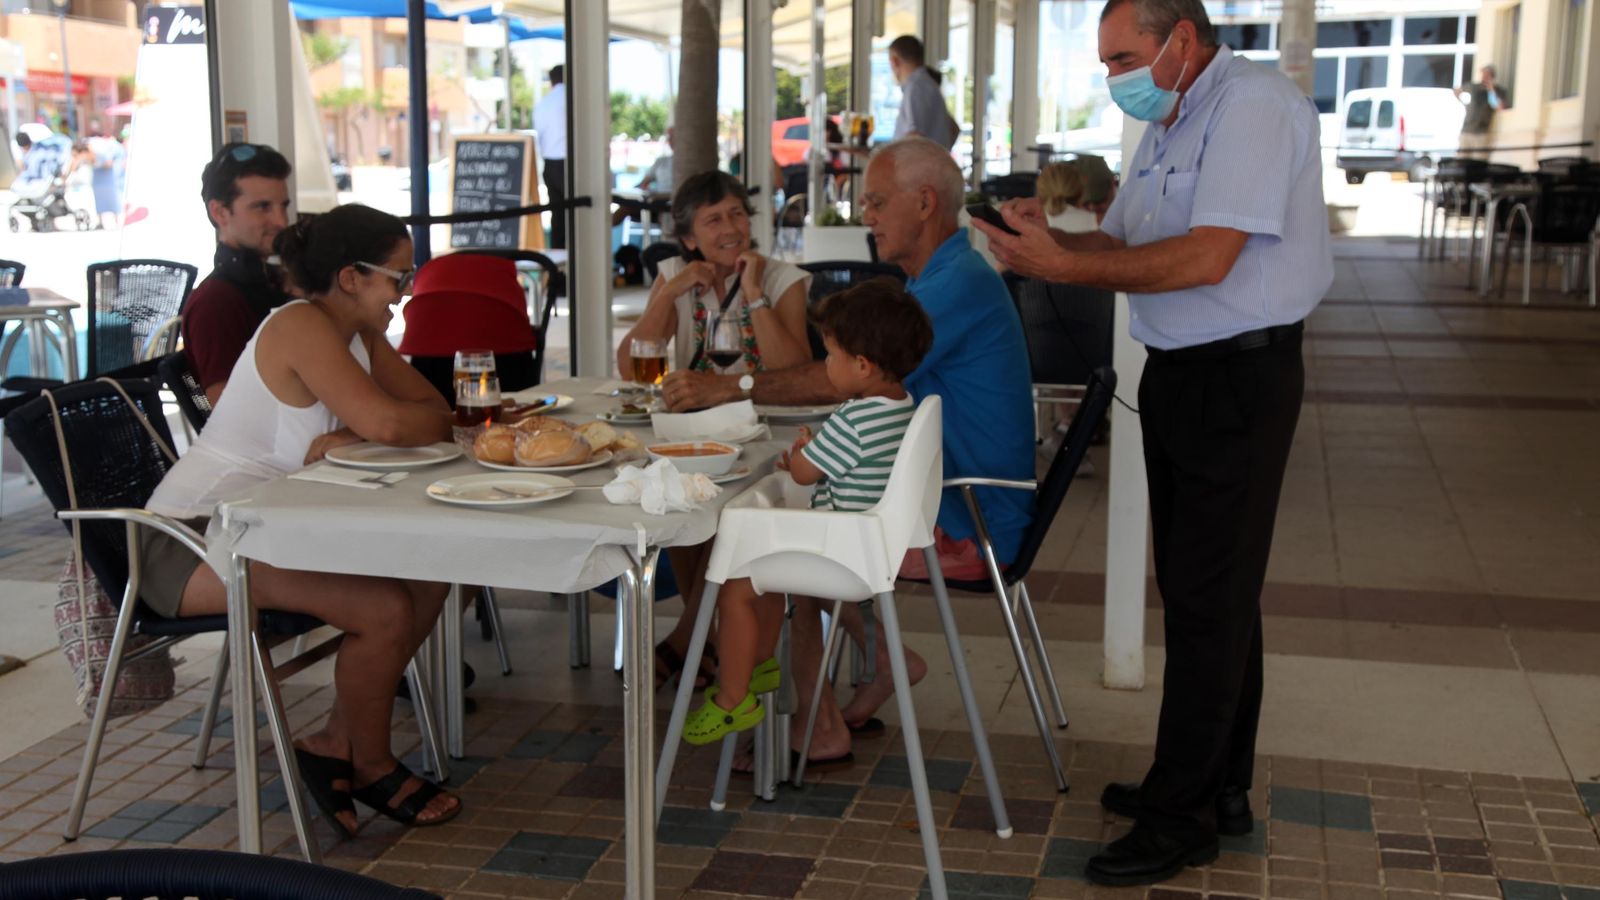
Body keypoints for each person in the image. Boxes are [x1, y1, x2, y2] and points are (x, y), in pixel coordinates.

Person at [972, 0, 1332, 886]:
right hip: (1182, 373)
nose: (1113, 79)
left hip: (1238, 377)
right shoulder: (1171, 119)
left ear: (1183, 39)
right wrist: (1046, 242)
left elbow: (1209, 257)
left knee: (1209, 599)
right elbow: (1126, 238)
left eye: (1123, 59)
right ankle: (1216, 786)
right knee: (1210, 592)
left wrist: (1068, 267)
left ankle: (1183, 818)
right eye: (1105, 63)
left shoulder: (1252, 107)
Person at [660, 137, 1035, 768]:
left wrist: (729, 387)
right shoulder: (945, 276)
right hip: (952, 498)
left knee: (790, 548)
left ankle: (818, 723)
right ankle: (880, 661)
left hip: (969, 517)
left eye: (877, 202)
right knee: (809, 522)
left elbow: (826, 380)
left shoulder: (955, 284)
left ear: (924, 203)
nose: (866, 215)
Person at [141, 203, 460, 837]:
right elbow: (396, 421)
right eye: (399, 276)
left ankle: (336, 742)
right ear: (351, 277)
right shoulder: (300, 325)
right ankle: (371, 764)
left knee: (431, 574)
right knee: (385, 609)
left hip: (269, 528)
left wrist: (359, 433)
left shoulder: (360, 335)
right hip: (191, 539)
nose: (406, 291)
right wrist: (373, 429)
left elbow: (437, 413)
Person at [682, 280, 933, 746]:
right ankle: (761, 667)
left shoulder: (853, 419)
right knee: (765, 572)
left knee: (736, 586)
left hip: (837, 551)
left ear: (862, 365)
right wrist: (813, 455)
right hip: (870, 545)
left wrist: (801, 454)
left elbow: (802, 474)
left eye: (831, 356)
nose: (827, 365)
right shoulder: (902, 406)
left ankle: (734, 697)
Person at [617, 170, 813, 688]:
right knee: (686, 505)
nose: (730, 228)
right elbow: (630, 366)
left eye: (737, 214)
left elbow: (794, 370)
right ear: (688, 238)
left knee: (730, 512)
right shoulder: (675, 276)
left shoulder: (782, 279)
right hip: (699, 434)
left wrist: (753, 293)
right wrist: (668, 295)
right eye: (713, 220)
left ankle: (690, 638)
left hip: (772, 432)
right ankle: (704, 636)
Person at [182, 143, 294, 407]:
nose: (281, 221)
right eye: (262, 207)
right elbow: (229, 411)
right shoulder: (215, 301)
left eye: (283, 206)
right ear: (220, 212)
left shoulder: (274, 281)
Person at [888, 35, 958, 150]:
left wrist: (887, 156)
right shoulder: (926, 83)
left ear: (894, 61)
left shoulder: (916, 87)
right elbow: (954, 129)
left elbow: (915, 137)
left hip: (919, 161)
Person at [532, 65, 568, 249]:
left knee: (557, 215)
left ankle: (558, 258)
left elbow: (539, 137)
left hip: (550, 165)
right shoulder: (573, 99)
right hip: (569, 164)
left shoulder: (543, 104)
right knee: (576, 215)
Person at [1455, 64, 1506, 157]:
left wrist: (1491, 90)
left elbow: (1500, 107)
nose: (1484, 77)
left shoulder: (1497, 90)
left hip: (1481, 132)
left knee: (1479, 160)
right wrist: (1464, 104)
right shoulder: (1474, 87)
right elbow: (1457, 91)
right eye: (1483, 74)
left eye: (1487, 75)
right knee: (1462, 159)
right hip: (1467, 130)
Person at [86, 119, 124, 229]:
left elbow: (109, 163)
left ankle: (117, 221)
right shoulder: (97, 147)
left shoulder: (110, 146)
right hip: (100, 178)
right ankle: (101, 221)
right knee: (100, 200)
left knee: (113, 199)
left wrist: (97, 163)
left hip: (110, 178)